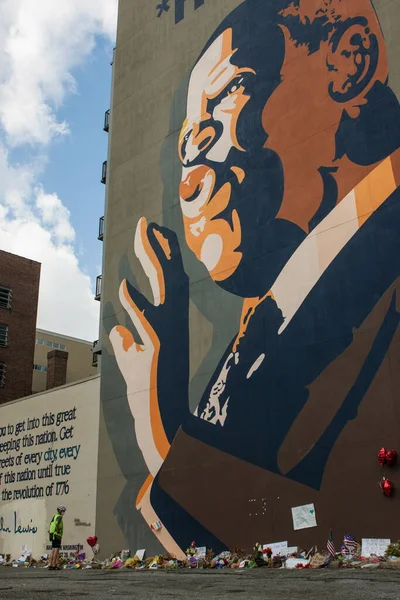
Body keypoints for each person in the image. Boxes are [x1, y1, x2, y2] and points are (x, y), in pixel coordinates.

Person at [110, 0, 400, 556]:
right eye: (186, 144)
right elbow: (263, 540)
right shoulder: (280, 313)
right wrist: (162, 409)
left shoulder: (365, 271)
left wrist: (158, 421)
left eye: (223, 101)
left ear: (349, 64)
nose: (191, 177)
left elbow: (320, 526)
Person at [48, 505, 66, 570]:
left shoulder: (54, 516)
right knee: (56, 549)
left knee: (53, 549)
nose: (64, 512)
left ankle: (50, 563)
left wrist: (50, 530)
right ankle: (54, 564)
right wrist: (58, 530)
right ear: (60, 511)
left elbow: (51, 524)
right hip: (57, 535)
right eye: (63, 511)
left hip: (52, 534)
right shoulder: (59, 517)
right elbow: (57, 523)